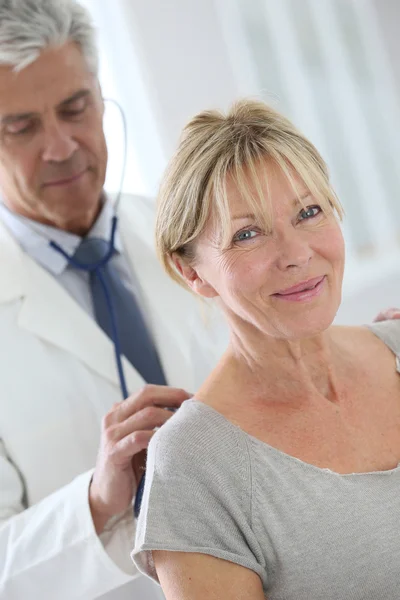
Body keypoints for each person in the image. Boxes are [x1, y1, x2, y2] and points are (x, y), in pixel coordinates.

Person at [0, 1, 226, 599]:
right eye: (20, 127)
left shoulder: (197, 232)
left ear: (102, 96)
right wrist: (97, 503)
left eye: (75, 108)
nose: (60, 146)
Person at [132, 99, 400, 600]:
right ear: (192, 272)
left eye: (309, 211)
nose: (297, 254)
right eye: (248, 234)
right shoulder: (194, 466)